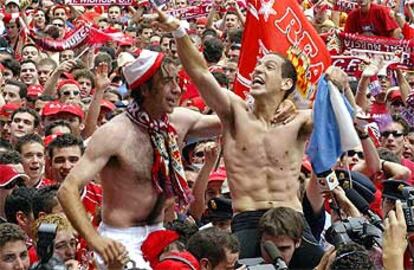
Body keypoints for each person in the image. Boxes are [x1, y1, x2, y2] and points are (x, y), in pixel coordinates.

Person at [155, 9, 324, 265]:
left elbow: (339, 115)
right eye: (258, 65)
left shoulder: (300, 120)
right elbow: (200, 73)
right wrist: (179, 31)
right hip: (248, 218)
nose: (258, 70)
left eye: (269, 67)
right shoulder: (234, 112)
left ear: (287, 84)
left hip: (292, 218)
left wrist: (335, 80)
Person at [57, 57, 222, 269]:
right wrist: (95, 240)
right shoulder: (114, 133)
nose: (177, 89)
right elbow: (67, 189)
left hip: (159, 233)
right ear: (144, 89)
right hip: (119, 240)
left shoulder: (178, 122)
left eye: (176, 80)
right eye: (167, 82)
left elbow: (230, 118)